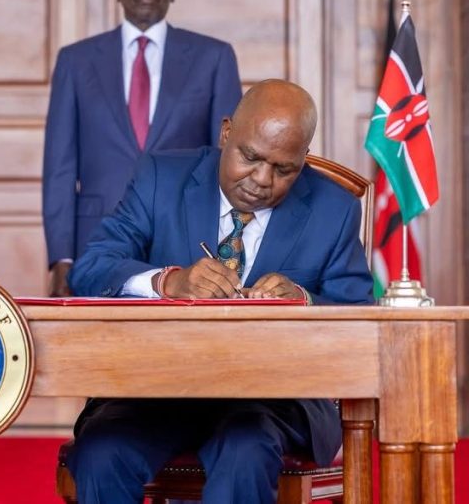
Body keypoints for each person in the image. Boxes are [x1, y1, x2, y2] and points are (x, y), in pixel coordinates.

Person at [64, 79, 374, 504]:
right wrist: (167, 282)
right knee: (101, 454)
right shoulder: (160, 178)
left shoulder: (333, 209)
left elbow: (360, 321)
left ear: (302, 160)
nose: (262, 180)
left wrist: (303, 303)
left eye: (284, 169)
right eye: (251, 157)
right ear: (226, 132)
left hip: (273, 399)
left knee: (245, 451)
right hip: (157, 386)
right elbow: (91, 269)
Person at [43, 0, 242, 296]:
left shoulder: (213, 58)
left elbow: (227, 159)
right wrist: (62, 258)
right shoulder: (75, 60)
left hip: (183, 238)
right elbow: (59, 167)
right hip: (96, 241)